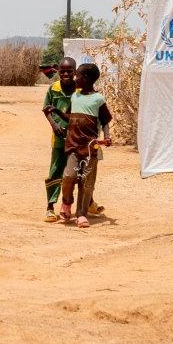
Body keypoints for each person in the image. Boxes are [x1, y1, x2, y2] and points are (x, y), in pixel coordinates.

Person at [59, 63, 113, 228]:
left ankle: (81, 214)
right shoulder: (75, 97)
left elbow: (105, 121)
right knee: (69, 176)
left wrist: (107, 136)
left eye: (78, 76)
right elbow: (70, 117)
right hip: (73, 145)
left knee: (86, 182)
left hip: (90, 148)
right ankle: (66, 203)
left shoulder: (98, 99)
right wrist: (55, 112)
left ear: (87, 79)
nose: (75, 79)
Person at [41, 57, 76, 222]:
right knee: (55, 170)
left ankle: (87, 203)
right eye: (63, 71)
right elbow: (46, 109)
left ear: (75, 72)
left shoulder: (80, 90)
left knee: (79, 171)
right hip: (59, 139)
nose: (66, 74)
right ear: (58, 72)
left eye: (70, 71)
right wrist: (54, 125)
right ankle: (50, 206)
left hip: (77, 139)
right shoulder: (53, 88)